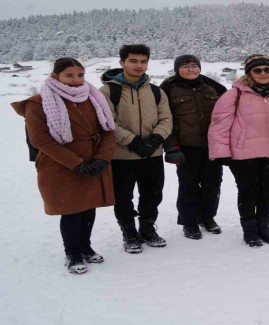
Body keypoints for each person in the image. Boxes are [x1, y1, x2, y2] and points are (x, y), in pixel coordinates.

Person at [12, 58, 116, 274]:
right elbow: (41, 140)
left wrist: (101, 159)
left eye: (80, 75)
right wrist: (76, 164)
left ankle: (86, 247)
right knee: (71, 210)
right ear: (55, 76)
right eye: (69, 75)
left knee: (89, 207)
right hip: (60, 164)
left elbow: (108, 130)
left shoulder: (93, 98)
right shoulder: (38, 103)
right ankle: (73, 253)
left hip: (94, 160)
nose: (76, 80)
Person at [208, 55, 269, 247]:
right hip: (242, 153)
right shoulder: (234, 95)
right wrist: (221, 152)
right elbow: (219, 126)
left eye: (267, 70)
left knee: (267, 191)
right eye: (258, 70)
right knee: (248, 191)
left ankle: (264, 227)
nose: (263, 73)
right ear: (249, 73)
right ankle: (249, 230)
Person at [100, 44, 173, 254]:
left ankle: (148, 229)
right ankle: (129, 233)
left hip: (153, 154)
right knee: (123, 197)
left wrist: (155, 139)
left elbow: (166, 119)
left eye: (143, 61)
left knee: (152, 195)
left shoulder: (156, 91)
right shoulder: (107, 91)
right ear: (122, 62)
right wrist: (133, 141)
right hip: (121, 156)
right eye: (133, 61)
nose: (138, 65)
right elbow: (107, 123)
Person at [160, 55, 227, 240]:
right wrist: (172, 146)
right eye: (185, 66)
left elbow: (227, 116)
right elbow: (165, 119)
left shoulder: (213, 87)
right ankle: (189, 222)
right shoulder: (167, 89)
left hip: (212, 147)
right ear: (176, 69)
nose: (190, 69)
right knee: (188, 186)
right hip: (185, 147)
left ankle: (208, 217)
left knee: (212, 184)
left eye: (194, 65)